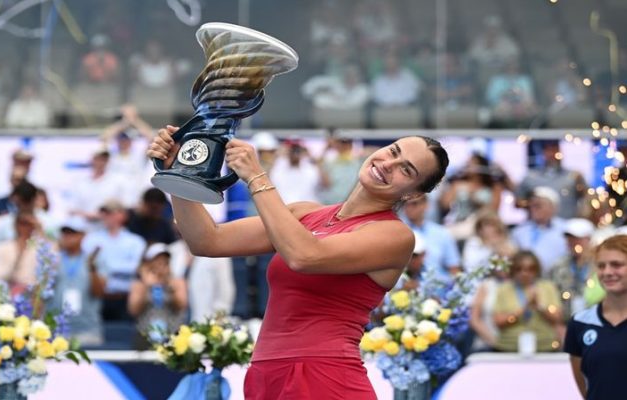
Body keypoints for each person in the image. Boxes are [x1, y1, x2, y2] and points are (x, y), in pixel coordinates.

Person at [149, 125, 449, 399]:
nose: (388, 164)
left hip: (324, 377)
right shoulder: (305, 213)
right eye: (393, 151)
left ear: (414, 194)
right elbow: (206, 241)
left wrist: (257, 176)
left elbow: (305, 256)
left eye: (405, 170)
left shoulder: (395, 236)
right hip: (265, 375)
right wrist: (180, 173)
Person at [565, 235, 627, 400]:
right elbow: (585, 387)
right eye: (601, 266)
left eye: (616, 265)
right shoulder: (580, 323)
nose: (607, 272)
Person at [493, 251, 563, 352]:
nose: (525, 273)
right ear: (513, 270)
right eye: (519, 269)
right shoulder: (504, 289)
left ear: (537, 269)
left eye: (531, 268)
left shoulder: (547, 287)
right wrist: (523, 309)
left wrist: (539, 307)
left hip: (545, 347)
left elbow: (557, 318)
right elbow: (498, 322)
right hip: (509, 348)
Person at [51, 217, 106, 345]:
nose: (67, 237)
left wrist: (92, 268)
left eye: (72, 233)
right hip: (55, 330)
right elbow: (41, 293)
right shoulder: (52, 259)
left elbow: (99, 292)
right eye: (65, 233)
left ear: (83, 235)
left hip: (87, 331)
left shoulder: (94, 259)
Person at [127, 242, 187, 348]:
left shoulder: (177, 282)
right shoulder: (139, 284)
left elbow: (181, 305)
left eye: (164, 261)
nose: (161, 264)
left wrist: (168, 285)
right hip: (145, 335)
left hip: (172, 334)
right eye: (157, 260)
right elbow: (134, 310)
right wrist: (146, 285)